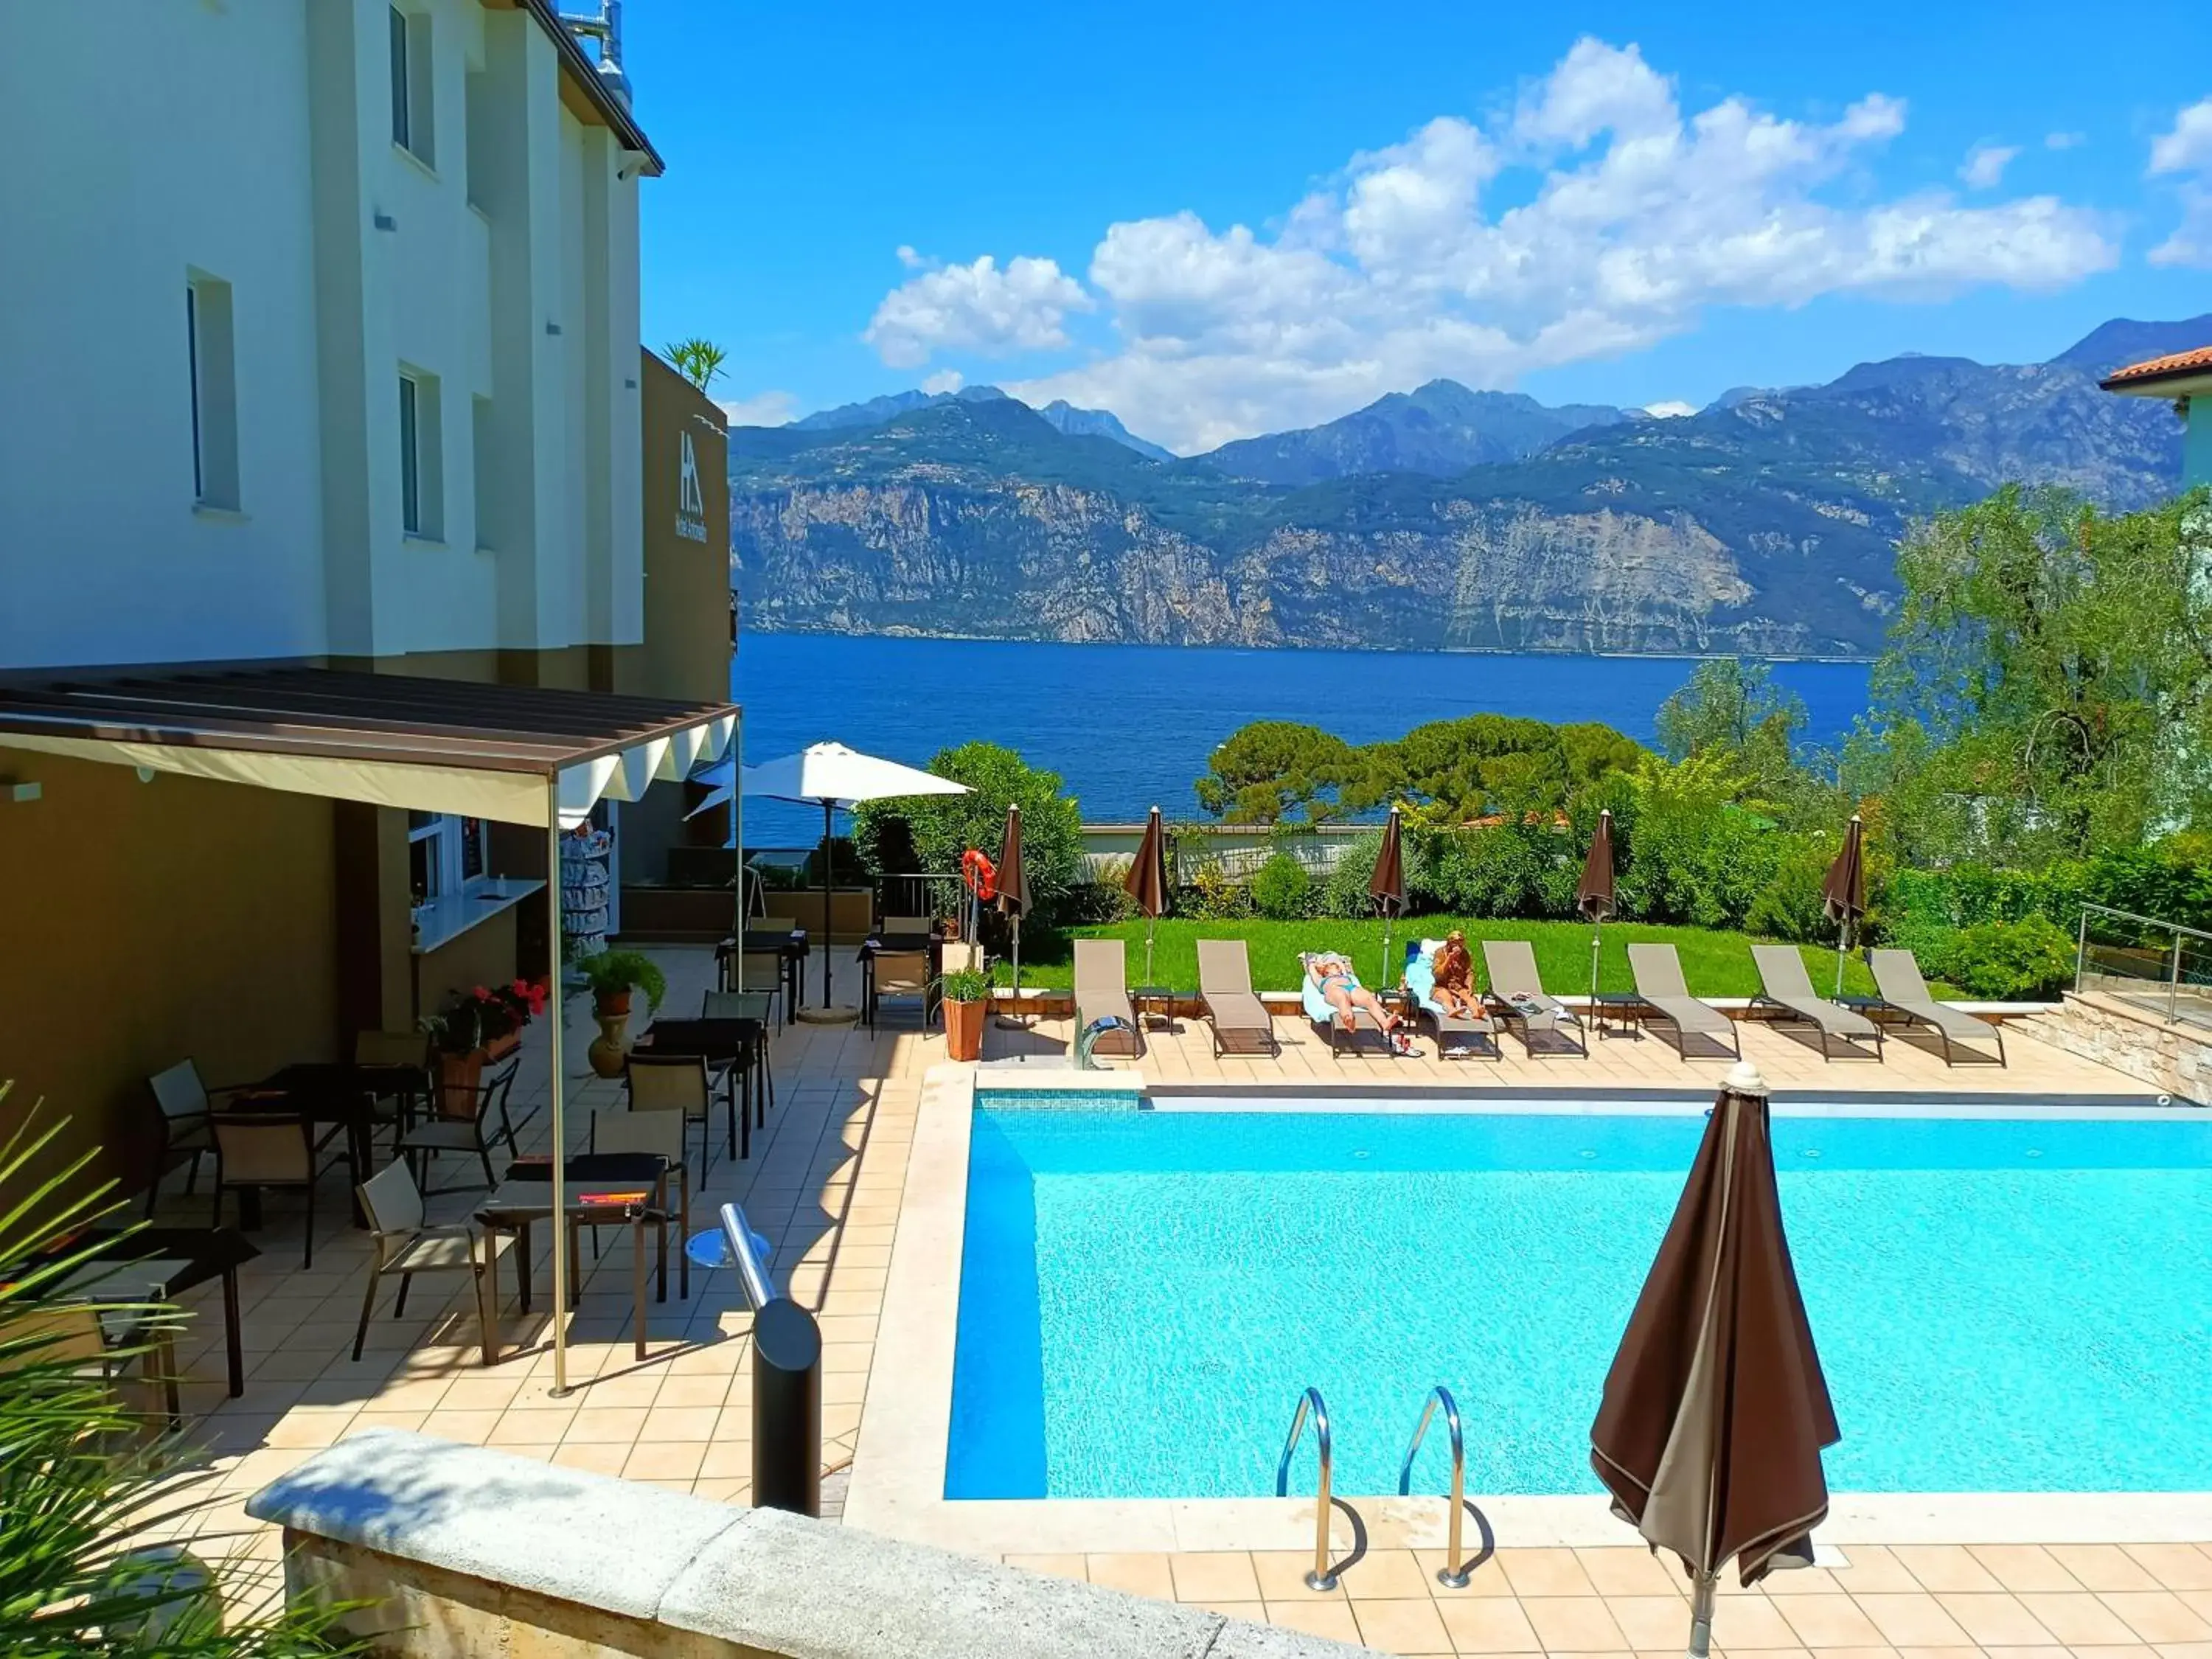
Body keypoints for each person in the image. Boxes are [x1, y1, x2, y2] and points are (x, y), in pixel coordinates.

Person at [1307, 952, 1413, 1054]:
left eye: (1338, 968)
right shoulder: (1321, 980)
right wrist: (1316, 963)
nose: (1338, 970)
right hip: (1334, 989)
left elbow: (1341, 963)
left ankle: (1384, 1022)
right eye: (1335, 968)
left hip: (1351, 988)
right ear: (1326, 972)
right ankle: (1348, 1019)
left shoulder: (1345, 976)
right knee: (1342, 999)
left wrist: (1337, 962)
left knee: (1369, 998)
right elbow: (1311, 969)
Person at [1430, 931, 1481, 1019]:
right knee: (1445, 996)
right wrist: (1449, 959)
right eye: (1455, 944)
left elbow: (1469, 972)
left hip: (1459, 987)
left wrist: (1469, 985)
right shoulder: (1440, 953)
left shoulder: (1465, 954)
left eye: (1460, 944)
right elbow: (1437, 974)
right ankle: (1451, 1010)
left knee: (1468, 996)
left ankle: (1476, 1011)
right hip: (1442, 987)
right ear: (1449, 944)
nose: (1458, 947)